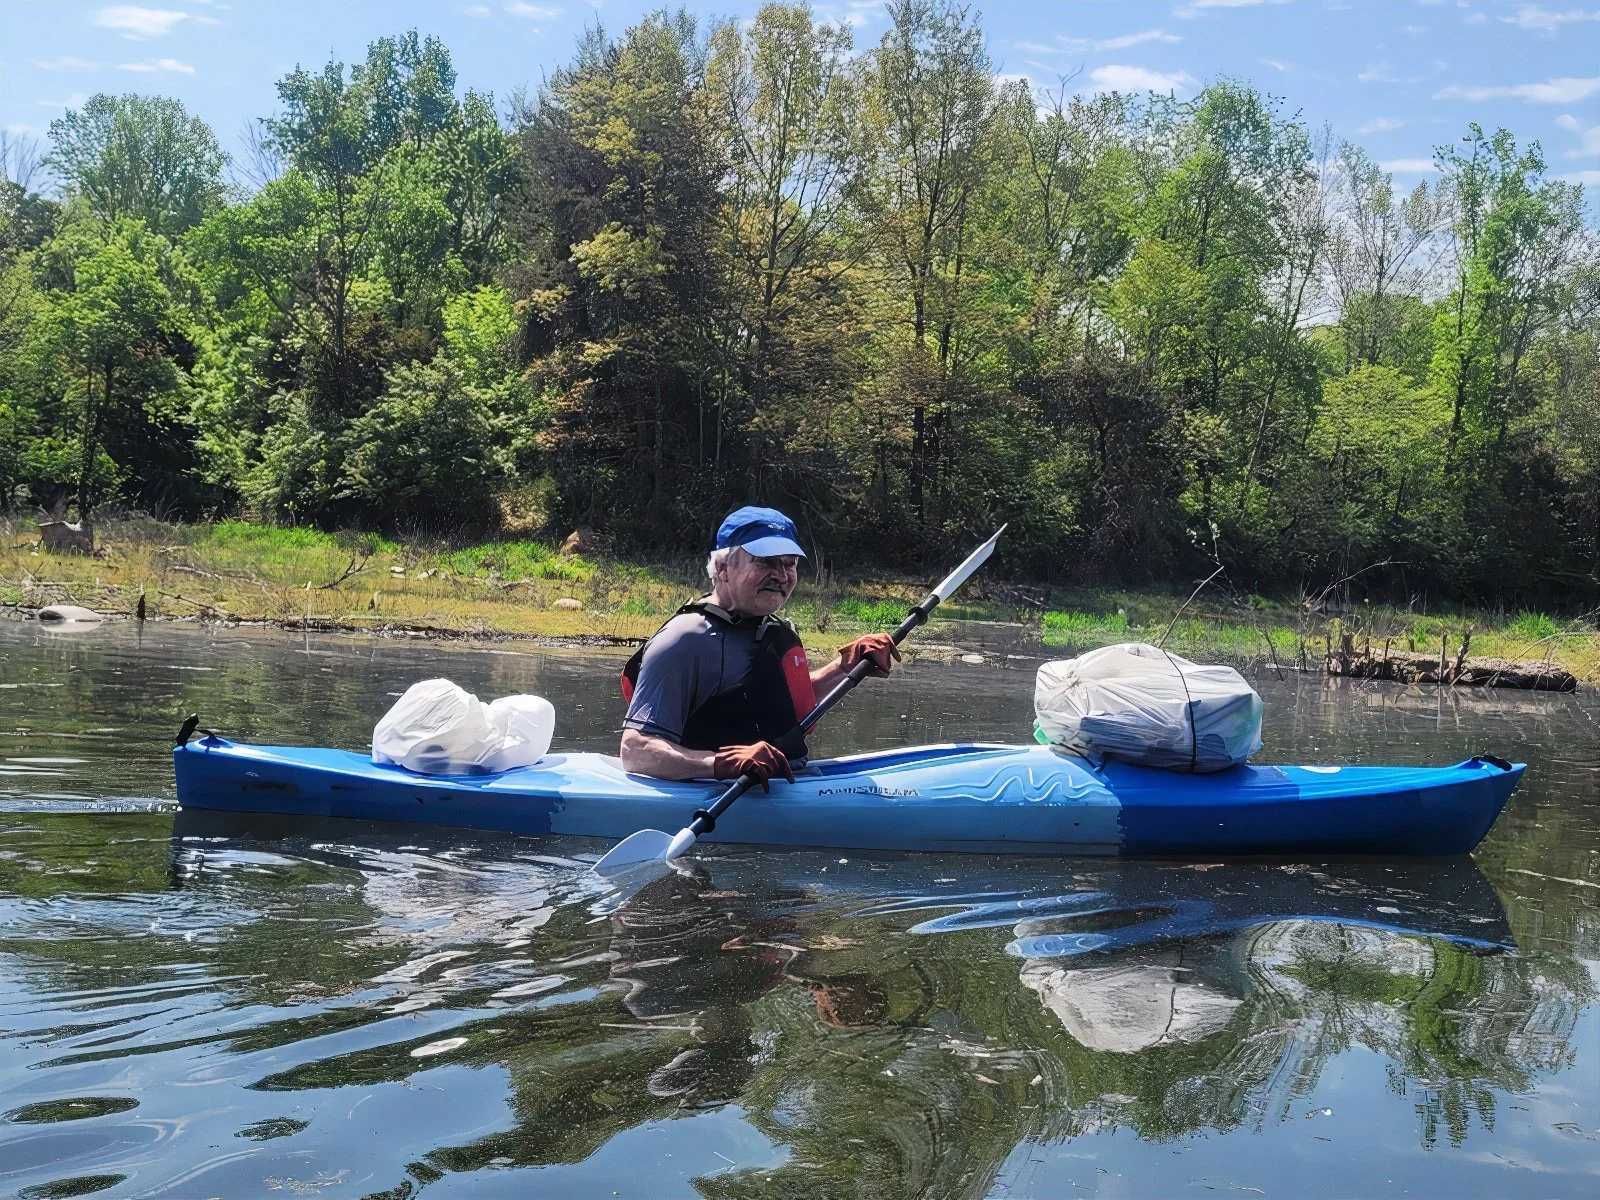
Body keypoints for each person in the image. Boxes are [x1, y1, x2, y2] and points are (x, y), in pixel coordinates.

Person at [619, 505, 898, 786]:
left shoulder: (765, 627)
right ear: (723, 567)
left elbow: (773, 705)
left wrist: (847, 667)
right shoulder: (685, 639)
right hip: (721, 798)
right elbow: (636, 750)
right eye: (765, 562)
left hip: (784, 785)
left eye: (789, 564)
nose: (781, 575)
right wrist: (719, 765)